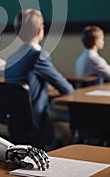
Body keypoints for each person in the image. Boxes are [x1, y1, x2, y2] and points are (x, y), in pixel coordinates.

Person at [4, 8, 74, 147]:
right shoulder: (39, 56)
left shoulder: (10, 59)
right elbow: (67, 89)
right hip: (38, 124)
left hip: (17, 126)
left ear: (17, 32)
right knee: (72, 122)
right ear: (39, 31)